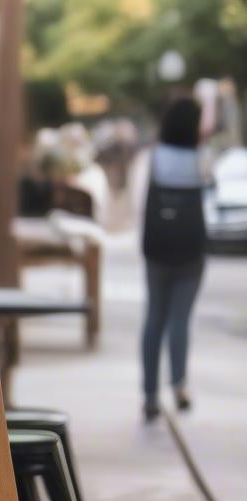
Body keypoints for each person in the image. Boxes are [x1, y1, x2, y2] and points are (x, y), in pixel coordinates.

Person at [140, 97, 208, 421]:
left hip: (158, 248)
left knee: (154, 318)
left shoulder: (154, 157)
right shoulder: (200, 159)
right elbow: (212, 186)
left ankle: (150, 395)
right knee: (180, 319)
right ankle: (179, 384)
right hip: (191, 249)